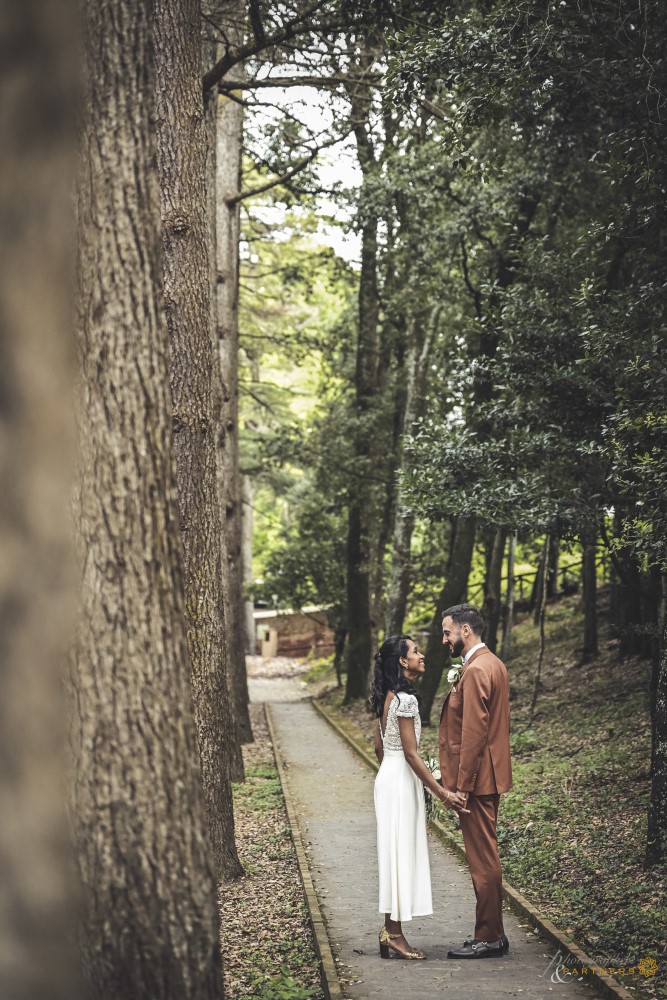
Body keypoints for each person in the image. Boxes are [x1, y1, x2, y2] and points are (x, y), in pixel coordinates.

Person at [370, 634, 468, 960]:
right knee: (400, 854)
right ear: (402, 661)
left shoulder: (387, 697)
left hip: (388, 777)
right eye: (415, 651)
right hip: (401, 780)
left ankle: (390, 930)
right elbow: (412, 755)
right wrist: (441, 792)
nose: (421, 655)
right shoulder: (406, 701)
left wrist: (397, 767)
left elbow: (379, 748)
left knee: (394, 854)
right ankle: (394, 934)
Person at [439, 603, 512, 959]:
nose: (444, 639)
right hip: (487, 776)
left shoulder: (478, 669)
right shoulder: (492, 663)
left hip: (478, 780)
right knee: (486, 855)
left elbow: (474, 733)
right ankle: (493, 932)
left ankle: (490, 938)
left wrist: (461, 786)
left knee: (482, 859)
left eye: (447, 632)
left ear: (465, 630)